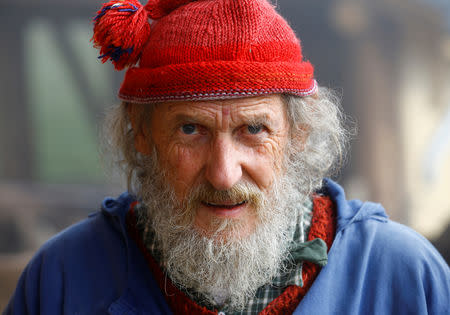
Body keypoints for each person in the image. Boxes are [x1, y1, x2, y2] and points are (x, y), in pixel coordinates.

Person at [4, 0, 449, 314]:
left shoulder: (403, 275)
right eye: (190, 129)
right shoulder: (63, 277)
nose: (222, 173)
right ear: (141, 134)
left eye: (253, 130)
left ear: (298, 134)